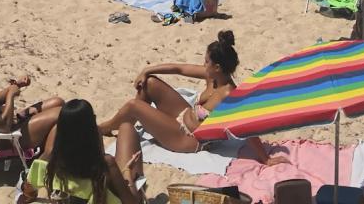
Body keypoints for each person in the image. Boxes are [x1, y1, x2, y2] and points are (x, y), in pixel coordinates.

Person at [97, 31, 285, 165]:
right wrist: (147, 70)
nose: (204, 64)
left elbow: (247, 128)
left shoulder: (230, 95)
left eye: (206, 62)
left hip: (187, 139)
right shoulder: (212, 76)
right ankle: (129, 124)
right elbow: (178, 68)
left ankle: (105, 127)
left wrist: (266, 159)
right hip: (183, 115)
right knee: (150, 83)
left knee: (133, 105)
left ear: (217, 67)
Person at [19, 99, 143, 204]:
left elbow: (28, 193)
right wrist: (127, 173)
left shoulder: (50, 160)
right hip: (105, 187)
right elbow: (132, 202)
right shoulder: (104, 164)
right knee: (127, 128)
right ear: (91, 127)